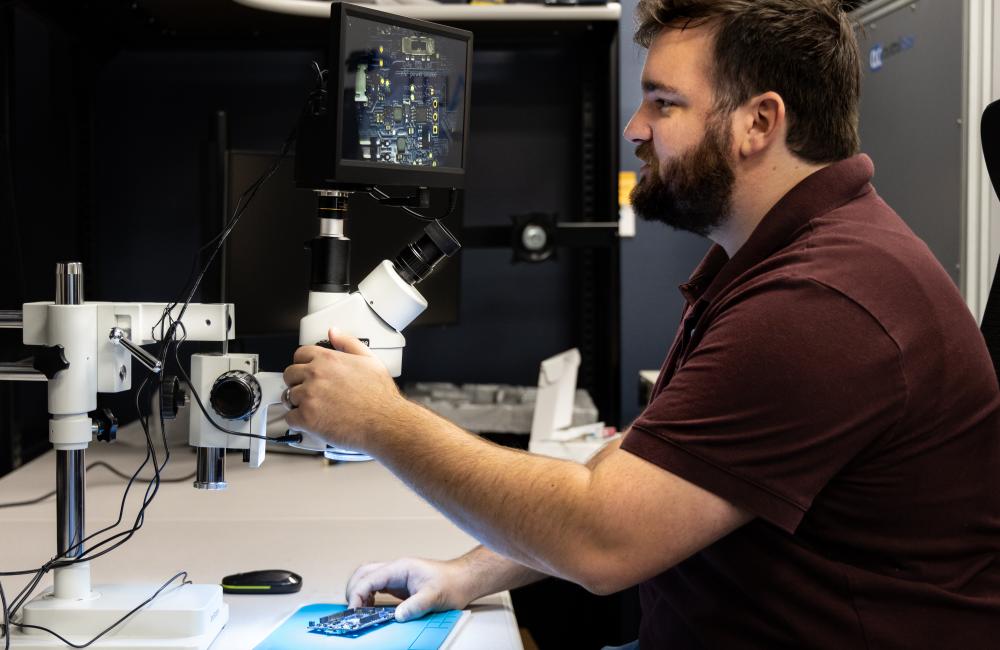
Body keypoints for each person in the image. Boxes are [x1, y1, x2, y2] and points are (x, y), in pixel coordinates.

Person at [281, 0, 1000, 646]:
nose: (635, 128)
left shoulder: (821, 302)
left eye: (663, 103)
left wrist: (379, 420)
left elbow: (604, 542)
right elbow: (650, 466)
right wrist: (466, 574)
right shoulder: (770, 261)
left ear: (759, 122)